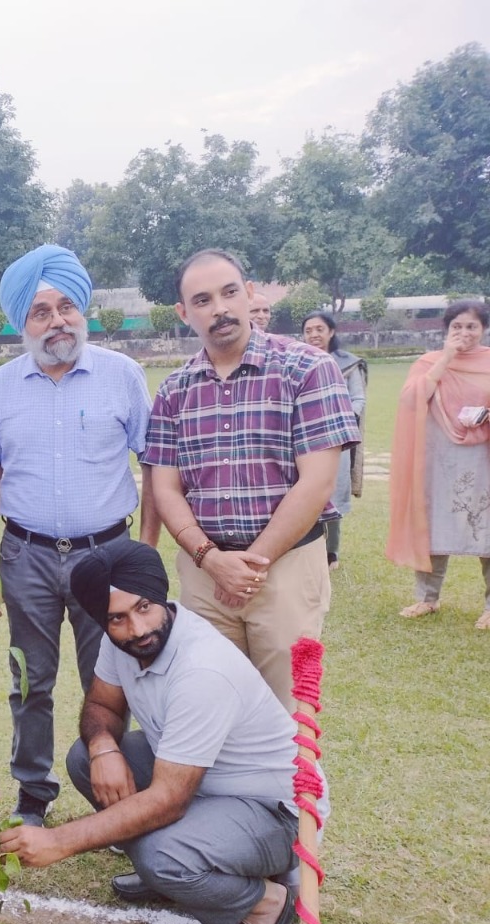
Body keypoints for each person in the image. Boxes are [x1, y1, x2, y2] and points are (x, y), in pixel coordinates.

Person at [0, 539, 305, 924]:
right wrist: (104, 745)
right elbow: (102, 705)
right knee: (86, 759)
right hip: (199, 784)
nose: (137, 629)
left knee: (160, 854)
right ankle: (180, 873)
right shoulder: (120, 640)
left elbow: (168, 801)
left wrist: (59, 841)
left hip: (273, 813)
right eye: (118, 618)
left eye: (145, 608)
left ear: (160, 596)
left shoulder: (202, 670)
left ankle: (264, 905)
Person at [0, 243, 158, 827]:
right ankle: (32, 794)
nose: (57, 321)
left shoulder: (122, 376)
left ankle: (129, 794)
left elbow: (155, 463)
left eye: (67, 307)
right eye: (41, 312)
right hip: (27, 556)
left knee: (121, 675)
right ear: (22, 322)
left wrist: (144, 548)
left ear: (84, 312)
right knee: (31, 681)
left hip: (108, 556)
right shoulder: (0, 386)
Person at [144, 249, 359, 711]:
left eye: (229, 292)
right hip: (204, 575)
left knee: (290, 715)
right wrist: (211, 559)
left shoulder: (307, 369)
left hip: (286, 571)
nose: (219, 308)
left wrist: (249, 564)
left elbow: (317, 483)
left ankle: (294, 789)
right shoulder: (173, 391)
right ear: (184, 314)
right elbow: (165, 488)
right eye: (202, 300)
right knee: (212, 714)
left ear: (250, 293)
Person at [387, 299, 490, 629]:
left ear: (483, 329)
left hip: (483, 459)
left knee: (487, 528)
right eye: (456, 327)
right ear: (446, 330)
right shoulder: (429, 362)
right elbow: (410, 400)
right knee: (431, 525)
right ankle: (427, 598)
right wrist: (446, 357)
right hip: (438, 460)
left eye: (471, 326)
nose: (464, 333)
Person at [301, 311, 367, 568]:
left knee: (332, 493)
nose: (314, 335)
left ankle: (331, 552)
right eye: (308, 330)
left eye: (319, 329)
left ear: (331, 332)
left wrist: (336, 421)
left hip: (335, 441)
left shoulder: (348, 365)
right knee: (303, 492)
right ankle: (306, 547)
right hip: (304, 440)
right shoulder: (297, 361)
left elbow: (358, 400)